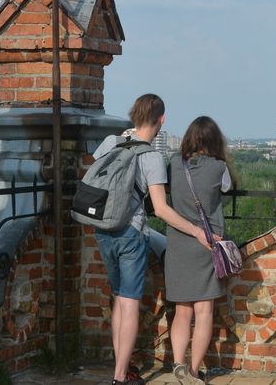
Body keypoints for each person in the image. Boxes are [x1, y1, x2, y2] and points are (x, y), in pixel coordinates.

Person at [93, 94, 213, 385]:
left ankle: (121, 368)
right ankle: (120, 376)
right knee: (130, 302)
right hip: (131, 233)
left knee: (119, 299)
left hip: (103, 230)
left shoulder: (110, 142)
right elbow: (161, 210)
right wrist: (197, 231)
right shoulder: (151, 156)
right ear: (162, 119)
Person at [166, 116, 237, 385]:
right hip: (208, 243)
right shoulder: (219, 167)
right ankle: (195, 372)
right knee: (204, 311)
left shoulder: (174, 163)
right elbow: (229, 187)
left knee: (182, 310)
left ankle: (179, 364)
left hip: (178, 243)